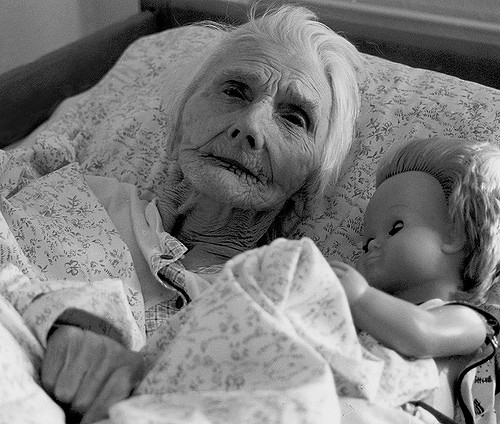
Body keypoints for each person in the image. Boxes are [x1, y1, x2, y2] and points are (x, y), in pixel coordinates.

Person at [36, 4, 364, 423]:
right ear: (178, 123)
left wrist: (148, 374)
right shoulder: (73, 198)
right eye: (234, 91)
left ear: (309, 184)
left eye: (295, 118)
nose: (251, 125)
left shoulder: (283, 303)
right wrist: (55, 319)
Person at [330, 137, 500, 421]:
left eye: (395, 228)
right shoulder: (365, 321)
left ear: (455, 235)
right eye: (366, 241)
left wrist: (359, 297)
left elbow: (421, 335)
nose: (371, 245)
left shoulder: (466, 319)